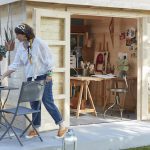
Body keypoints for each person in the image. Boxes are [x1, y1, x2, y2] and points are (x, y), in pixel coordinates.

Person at [1, 23, 68, 138]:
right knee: (34, 105)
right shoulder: (21, 47)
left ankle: (62, 126)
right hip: (31, 78)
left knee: (48, 102)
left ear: (24, 34)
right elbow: (15, 65)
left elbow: (50, 59)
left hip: (44, 76)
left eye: (18, 35)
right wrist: (2, 76)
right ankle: (35, 129)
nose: (16, 37)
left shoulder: (39, 43)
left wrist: (50, 74)